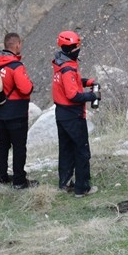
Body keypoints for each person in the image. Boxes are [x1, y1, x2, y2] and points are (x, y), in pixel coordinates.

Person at [51, 30, 100, 197]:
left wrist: (87, 82)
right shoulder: (67, 69)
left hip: (62, 114)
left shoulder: (60, 64)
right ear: (70, 48)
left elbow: (71, 84)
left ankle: (64, 183)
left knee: (66, 150)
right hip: (73, 115)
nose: (78, 50)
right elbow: (73, 95)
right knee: (81, 150)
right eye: (76, 47)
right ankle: (82, 188)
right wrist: (92, 96)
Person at [0, 33, 36, 189]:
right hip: (16, 113)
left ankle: (1, 178)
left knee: (2, 145)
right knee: (19, 147)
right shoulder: (16, 66)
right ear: (17, 44)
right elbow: (26, 89)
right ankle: (19, 181)